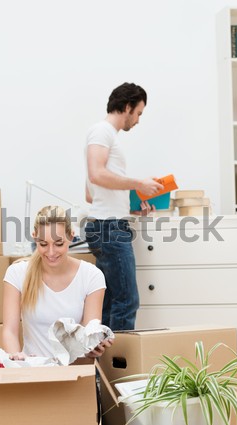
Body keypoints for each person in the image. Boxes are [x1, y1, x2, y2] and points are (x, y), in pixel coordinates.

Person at [84, 82, 164, 331]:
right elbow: (96, 175)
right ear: (128, 107)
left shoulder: (103, 136)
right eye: (138, 113)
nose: (138, 120)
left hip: (107, 224)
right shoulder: (102, 132)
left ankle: (104, 369)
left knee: (108, 305)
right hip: (110, 230)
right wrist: (139, 183)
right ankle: (120, 369)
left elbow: (90, 194)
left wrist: (131, 207)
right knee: (126, 301)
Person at [2, 205, 113, 360]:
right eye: (43, 244)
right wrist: (16, 357)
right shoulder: (17, 274)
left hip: (75, 374)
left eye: (59, 244)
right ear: (35, 237)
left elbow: (89, 333)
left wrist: (93, 347)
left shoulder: (91, 276)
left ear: (71, 236)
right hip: (33, 371)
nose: (51, 252)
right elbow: (9, 331)